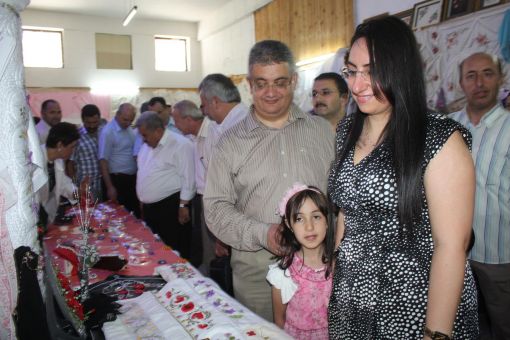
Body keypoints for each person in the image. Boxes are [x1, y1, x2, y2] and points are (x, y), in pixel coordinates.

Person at [328, 16, 478, 339]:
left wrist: (434, 334)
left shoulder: (438, 139)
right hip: (353, 300)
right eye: (352, 70)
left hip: (413, 302)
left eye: (372, 71)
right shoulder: (345, 131)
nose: (356, 85)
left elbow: (451, 246)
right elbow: (346, 211)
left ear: (401, 69)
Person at [203, 40, 334, 321]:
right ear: (249, 84)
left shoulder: (322, 131)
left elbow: (340, 195)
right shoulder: (230, 143)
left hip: (322, 269)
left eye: (280, 82)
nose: (271, 93)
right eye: (261, 83)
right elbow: (215, 209)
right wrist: (262, 233)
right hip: (258, 275)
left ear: (294, 81)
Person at [449, 52, 510, 339]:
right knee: (456, 324)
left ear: (500, 78)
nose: (479, 82)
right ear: (461, 83)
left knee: (503, 324)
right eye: (471, 76)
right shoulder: (446, 127)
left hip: (500, 252)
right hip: (451, 252)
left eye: (487, 73)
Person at [266, 183, 334, 340]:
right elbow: (279, 321)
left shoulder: (339, 268)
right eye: (299, 219)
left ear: (327, 221)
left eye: (316, 217)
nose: (309, 227)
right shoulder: (283, 273)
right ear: (289, 224)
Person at [198, 73, 249, 275]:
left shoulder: (247, 123)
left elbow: (239, 184)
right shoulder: (214, 127)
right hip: (223, 214)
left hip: (243, 218)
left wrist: (224, 229)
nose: (204, 110)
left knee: (243, 278)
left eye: (204, 104)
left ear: (216, 101)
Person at [135, 112, 195, 259]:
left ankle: (179, 279)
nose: (143, 139)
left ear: (158, 131)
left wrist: (183, 206)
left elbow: (189, 177)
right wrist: (143, 200)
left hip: (170, 206)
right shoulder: (147, 146)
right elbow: (143, 172)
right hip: (151, 209)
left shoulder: (180, 144)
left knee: (173, 248)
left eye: (145, 135)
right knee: (154, 248)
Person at [172, 100, 210, 267]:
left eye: (177, 120)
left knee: (212, 244)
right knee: (201, 240)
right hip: (199, 196)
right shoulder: (189, 138)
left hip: (212, 196)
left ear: (188, 119)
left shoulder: (210, 135)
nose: (175, 125)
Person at [98, 103, 140, 217]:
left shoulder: (129, 129)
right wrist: (110, 187)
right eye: (125, 120)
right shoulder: (108, 132)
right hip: (116, 180)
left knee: (132, 216)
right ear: (117, 115)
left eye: (130, 120)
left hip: (130, 180)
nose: (127, 123)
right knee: (117, 217)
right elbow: (102, 161)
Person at [37, 122, 79, 225]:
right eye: (72, 147)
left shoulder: (58, 160)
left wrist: (79, 193)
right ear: (60, 145)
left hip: (45, 215)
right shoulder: (35, 160)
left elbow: (64, 185)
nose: (73, 151)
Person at [67, 104, 102, 201]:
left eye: (95, 122)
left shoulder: (102, 133)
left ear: (99, 119)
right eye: (88, 123)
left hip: (101, 184)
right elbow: (70, 164)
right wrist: (74, 186)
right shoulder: (77, 137)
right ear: (83, 120)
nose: (92, 126)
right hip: (84, 187)